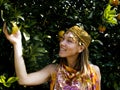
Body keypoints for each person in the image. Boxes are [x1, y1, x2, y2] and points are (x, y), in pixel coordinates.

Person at [3, 23, 101, 90]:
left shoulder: (93, 72)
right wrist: (17, 44)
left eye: (69, 41)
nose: (62, 43)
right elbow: (23, 79)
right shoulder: (54, 70)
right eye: (63, 39)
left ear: (81, 48)